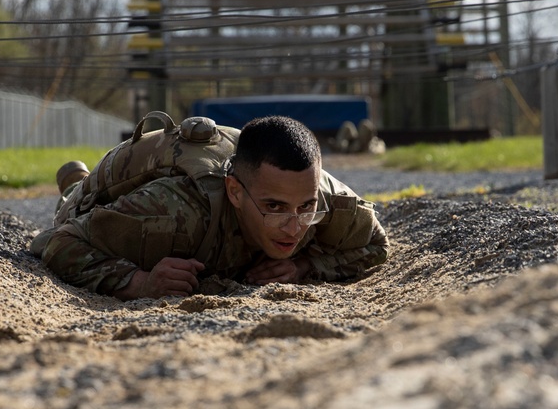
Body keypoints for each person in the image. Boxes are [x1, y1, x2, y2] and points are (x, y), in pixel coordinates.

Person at [30, 115, 389, 299]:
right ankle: (75, 182)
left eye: (305, 207)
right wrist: (139, 282)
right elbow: (55, 241)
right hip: (119, 184)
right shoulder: (174, 213)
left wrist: (306, 264)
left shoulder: (324, 199)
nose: (294, 227)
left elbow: (376, 244)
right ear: (235, 192)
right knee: (72, 204)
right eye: (274, 207)